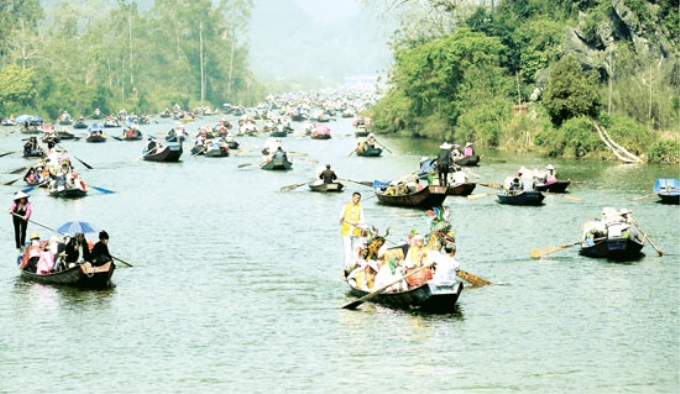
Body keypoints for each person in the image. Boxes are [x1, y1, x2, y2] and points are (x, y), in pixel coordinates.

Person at [339, 192, 366, 270]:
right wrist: (341, 218)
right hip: (346, 230)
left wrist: (357, 223)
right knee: (347, 248)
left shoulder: (360, 207)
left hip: (356, 230)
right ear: (352, 197)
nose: (358, 200)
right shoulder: (346, 206)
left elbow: (363, 220)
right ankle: (347, 265)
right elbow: (341, 216)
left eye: (359, 199)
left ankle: (355, 264)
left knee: (355, 249)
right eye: (357, 198)